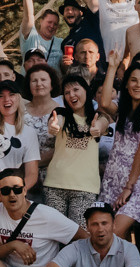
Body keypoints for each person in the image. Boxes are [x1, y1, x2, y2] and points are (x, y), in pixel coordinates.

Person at [98, 56, 140, 241]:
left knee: (114, 231)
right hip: (113, 178)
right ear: (126, 84)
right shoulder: (122, 107)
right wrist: (111, 68)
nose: (138, 85)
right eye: (133, 80)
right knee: (120, 239)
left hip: (136, 181)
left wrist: (129, 187)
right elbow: (103, 103)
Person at [41, 68, 112, 220]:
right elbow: (55, 122)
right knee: (56, 234)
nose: (71, 95)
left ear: (86, 91)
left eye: (75, 89)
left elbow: (102, 125)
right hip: (55, 185)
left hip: (85, 188)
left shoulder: (99, 116)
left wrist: (96, 129)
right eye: (67, 92)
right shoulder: (60, 113)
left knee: (80, 235)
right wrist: (54, 126)